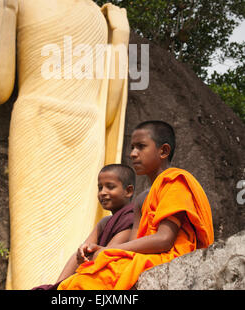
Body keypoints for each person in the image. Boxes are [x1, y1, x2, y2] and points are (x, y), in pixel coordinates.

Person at [0, 0, 129, 289]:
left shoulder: (97, 19)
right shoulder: (26, 1)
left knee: (81, 240)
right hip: (39, 124)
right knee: (34, 239)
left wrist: (118, 36)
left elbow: (110, 111)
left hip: (84, 135)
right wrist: (8, 11)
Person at [58, 120, 214, 290]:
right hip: (144, 258)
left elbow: (164, 239)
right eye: (132, 147)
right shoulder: (141, 199)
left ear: (163, 151)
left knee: (90, 281)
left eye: (141, 146)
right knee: (76, 281)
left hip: (170, 258)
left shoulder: (175, 182)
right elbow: (133, 246)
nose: (132, 153)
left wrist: (108, 251)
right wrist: (100, 252)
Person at [32, 163, 136, 290]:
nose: (102, 192)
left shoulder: (131, 218)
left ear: (128, 191)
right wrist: (59, 285)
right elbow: (81, 252)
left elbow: (107, 255)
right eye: (100, 188)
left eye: (110, 187)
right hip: (90, 270)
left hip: (106, 277)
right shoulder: (104, 222)